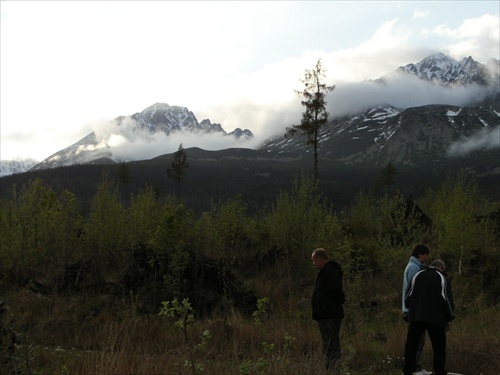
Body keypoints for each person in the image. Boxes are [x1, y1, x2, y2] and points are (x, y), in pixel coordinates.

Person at [403, 259, 455, 375]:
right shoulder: (442, 278)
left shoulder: (418, 274)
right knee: (439, 347)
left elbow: (408, 296)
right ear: (441, 268)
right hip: (436, 318)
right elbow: (446, 300)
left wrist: (411, 308)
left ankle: (408, 370)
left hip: (417, 316)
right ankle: (439, 371)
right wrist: (449, 318)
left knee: (411, 344)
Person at [311, 248, 345, 374]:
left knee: (331, 344)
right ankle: (330, 369)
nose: (314, 263)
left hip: (330, 315)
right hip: (325, 315)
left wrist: (326, 306)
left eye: (314, 260)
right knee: (328, 344)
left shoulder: (330, 271)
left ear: (320, 259)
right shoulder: (326, 271)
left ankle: (334, 369)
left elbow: (335, 292)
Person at [402, 243, 431, 375]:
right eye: (425, 255)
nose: (426, 258)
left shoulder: (414, 266)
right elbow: (414, 290)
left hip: (413, 309)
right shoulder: (414, 268)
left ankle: (417, 365)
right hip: (414, 310)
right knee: (417, 340)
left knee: (419, 340)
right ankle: (414, 367)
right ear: (420, 254)